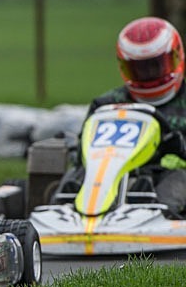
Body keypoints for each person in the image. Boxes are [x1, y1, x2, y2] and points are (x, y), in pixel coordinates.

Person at [62, 16, 186, 217]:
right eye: (139, 69)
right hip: (107, 173)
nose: (148, 75)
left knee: (178, 181)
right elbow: (81, 152)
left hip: (167, 174)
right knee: (76, 175)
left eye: (156, 65)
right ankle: (61, 214)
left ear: (176, 57)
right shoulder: (105, 104)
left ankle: (159, 218)